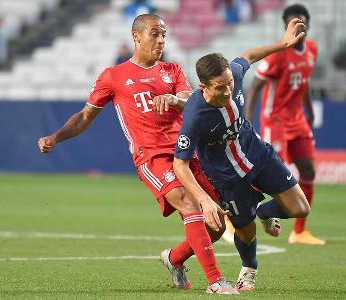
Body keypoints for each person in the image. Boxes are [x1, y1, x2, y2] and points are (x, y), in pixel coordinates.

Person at [37, 14, 238, 295]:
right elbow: (85, 116)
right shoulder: (113, 76)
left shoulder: (173, 70)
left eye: (164, 35)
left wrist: (174, 100)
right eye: (155, 33)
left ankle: (174, 259)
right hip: (152, 157)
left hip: (185, 152)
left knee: (214, 224)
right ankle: (216, 281)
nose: (161, 40)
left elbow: (193, 105)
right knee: (191, 204)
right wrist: (55, 137)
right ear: (137, 36)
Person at [173, 18, 310, 291]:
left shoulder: (232, 74)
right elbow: (180, 164)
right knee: (246, 232)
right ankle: (249, 269)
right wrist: (205, 201)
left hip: (257, 153)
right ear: (203, 88)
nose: (228, 90)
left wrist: (283, 44)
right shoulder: (194, 117)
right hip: (228, 178)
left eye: (230, 83)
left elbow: (247, 55)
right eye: (220, 87)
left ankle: (263, 210)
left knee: (300, 208)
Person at [244, 4, 324, 245]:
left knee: (308, 170)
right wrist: (247, 119)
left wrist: (309, 110)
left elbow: (305, 80)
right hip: (276, 120)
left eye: (300, 22)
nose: (297, 26)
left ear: (307, 24)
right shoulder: (278, 54)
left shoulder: (312, 49)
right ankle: (238, 215)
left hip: (298, 119)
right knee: (266, 175)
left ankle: (299, 232)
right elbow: (257, 85)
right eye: (292, 23)